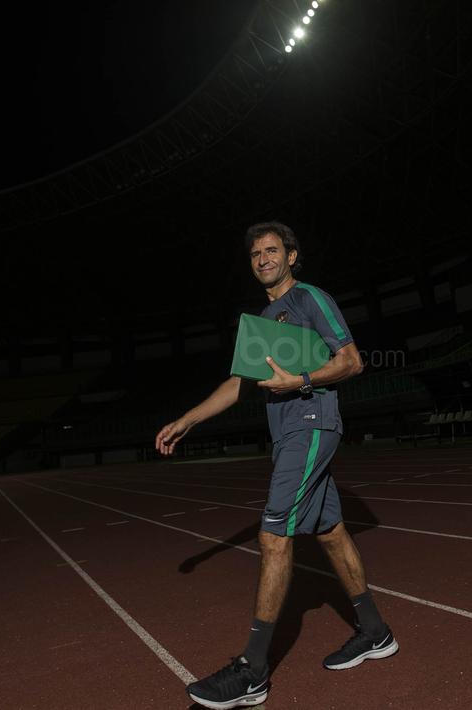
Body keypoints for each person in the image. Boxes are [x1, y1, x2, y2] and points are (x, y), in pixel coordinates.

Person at [154, 221, 398, 709]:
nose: (263, 258)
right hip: (288, 433)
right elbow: (238, 384)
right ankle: (374, 632)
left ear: (291, 255)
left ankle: (253, 671)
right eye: (255, 254)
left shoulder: (309, 299)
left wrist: (300, 381)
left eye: (272, 250)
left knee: (272, 536)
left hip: (311, 423)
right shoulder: (264, 318)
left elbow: (351, 361)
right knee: (329, 532)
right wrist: (188, 419)